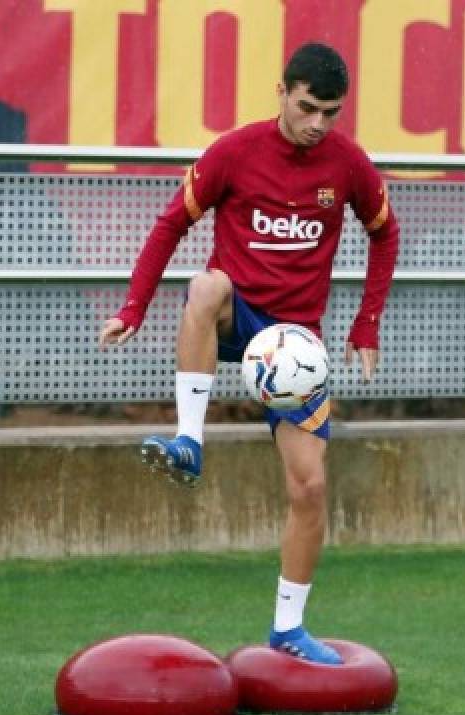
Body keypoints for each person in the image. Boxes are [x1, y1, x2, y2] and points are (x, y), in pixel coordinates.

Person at [99, 42, 399, 665]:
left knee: (311, 488)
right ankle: (188, 440)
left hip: (294, 345)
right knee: (205, 285)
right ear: (282, 92)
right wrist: (134, 307)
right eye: (309, 107)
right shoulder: (234, 151)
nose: (319, 123)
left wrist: (367, 324)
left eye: (332, 112)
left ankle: (288, 629)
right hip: (238, 314)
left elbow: (384, 231)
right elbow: (168, 226)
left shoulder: (346, 164)